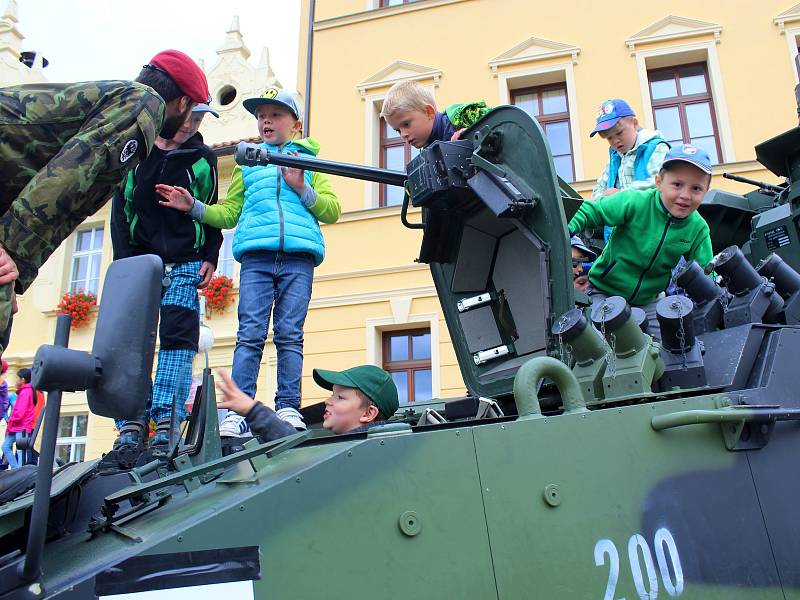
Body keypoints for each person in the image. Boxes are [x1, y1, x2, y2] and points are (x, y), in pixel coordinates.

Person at [0, 49, 210, 355]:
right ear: (182, 103)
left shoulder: (118, 100)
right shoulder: (144, 104)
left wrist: (12, 269)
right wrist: (9, 256)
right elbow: (64, 182)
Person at [157, 88, 341, 436]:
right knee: (250, 335)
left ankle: (288, 407)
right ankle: (237, 412)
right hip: (256, 258)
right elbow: (229, 214)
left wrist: (302, 188)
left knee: (290, 335)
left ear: (296, 124)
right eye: (261, 115)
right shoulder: (247, 164)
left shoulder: (309, 163)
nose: (266, 120)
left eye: (275, 114)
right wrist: (193, 206)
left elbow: (332, 211)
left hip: (298, 259)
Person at [110, 103, 223, 449]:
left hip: (186, 262)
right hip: (140, 263)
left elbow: (212, 210)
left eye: (200, 118)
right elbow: (120, 212)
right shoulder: (136, 154)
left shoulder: (203, 158)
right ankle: (131, 419)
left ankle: (167, 420)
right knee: (133, 341)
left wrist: (211, 256)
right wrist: (125, 265)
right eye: (188, 115)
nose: (192, 124)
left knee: (177, 338)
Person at [568, 144, 714, 340]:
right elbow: (590, 211)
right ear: (659, 182)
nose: (685, 195)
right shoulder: (635, 202)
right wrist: (566, 232)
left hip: (649, 302)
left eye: (696, 188)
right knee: (600, 346)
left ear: (705, 192)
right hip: (605, 291)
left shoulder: (698, 228)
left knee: (672, 350)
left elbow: (705, 272)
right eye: (677, 185)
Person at [216, 365, 399, 443]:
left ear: (369, 413)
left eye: (340, 398)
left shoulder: (365, 448)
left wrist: (252, 410)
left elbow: (298, 450)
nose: (328, 401)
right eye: (331, 395)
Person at [380, 80, 491, 149]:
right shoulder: (426, 157)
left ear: (429, 112)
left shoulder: (464, 117)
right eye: (398, 130)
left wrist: (472, 135)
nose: (403, 134)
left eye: (406, 124)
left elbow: (502, 125)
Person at [2, 368, 34, 469]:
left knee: (20, 450)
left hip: (21, 426)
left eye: (17, 378)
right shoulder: (23, 392)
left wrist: (11, 420)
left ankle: (20, 471)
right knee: (6, 446)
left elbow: (20, 413)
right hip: (17, 426)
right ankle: (17, 469)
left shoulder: (26, 392)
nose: (16, 381)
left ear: (23, 380)